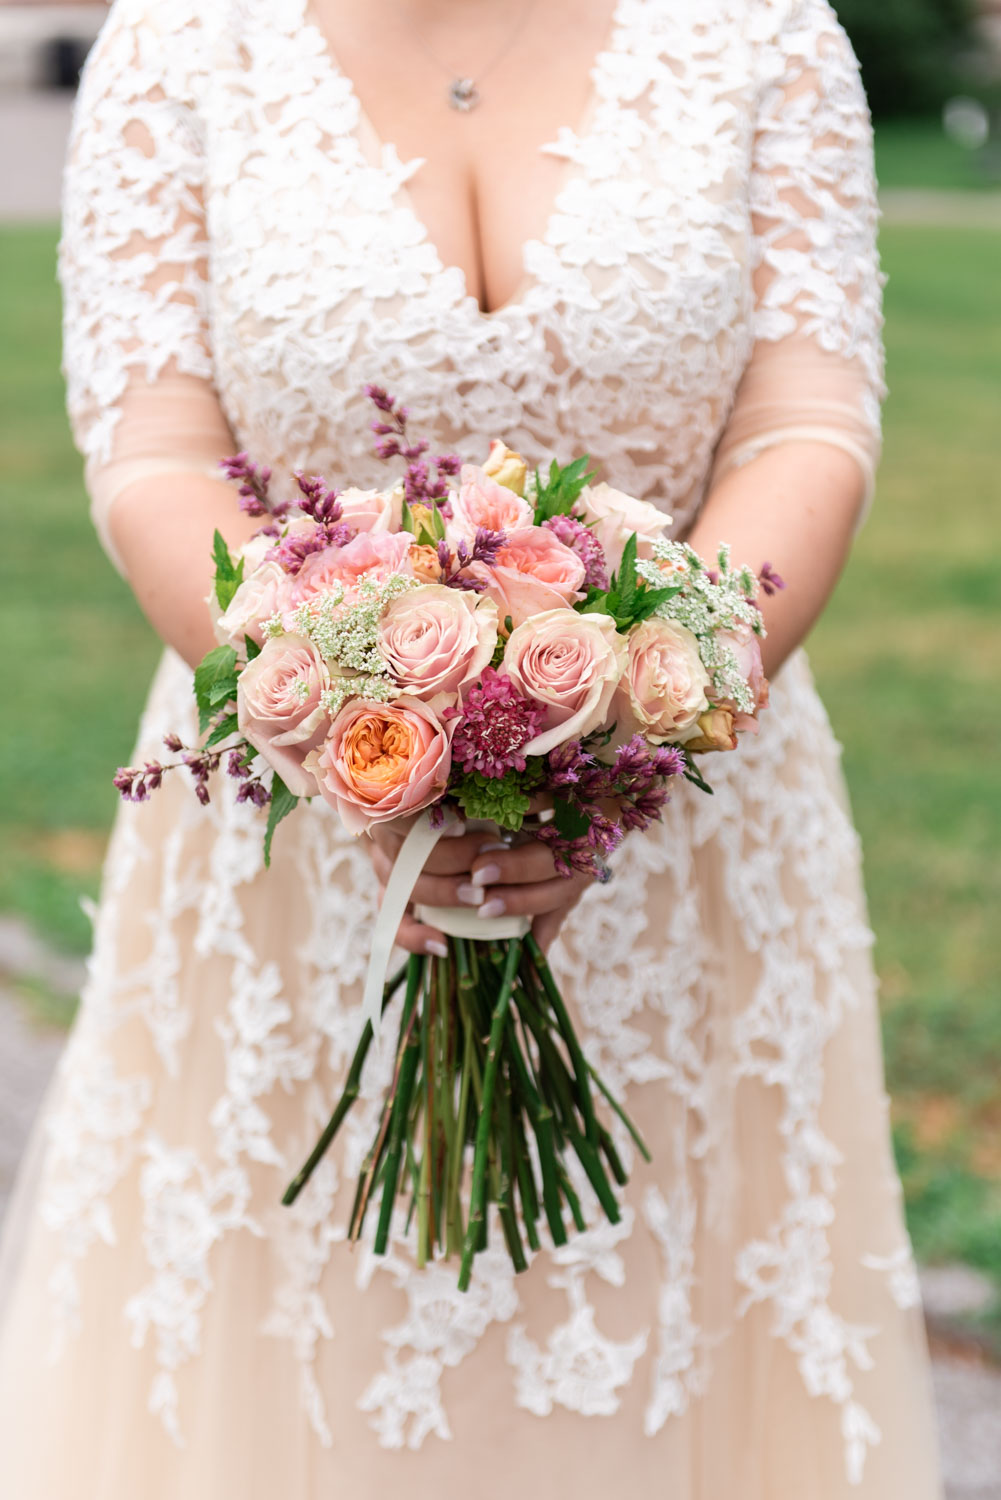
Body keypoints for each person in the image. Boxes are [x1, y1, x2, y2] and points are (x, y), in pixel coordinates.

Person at [0, 0, 944, 1494]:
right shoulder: (183, 40)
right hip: (293, 825)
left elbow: (804, 422)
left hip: (686, 818)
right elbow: (157, 447)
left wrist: (635, 716)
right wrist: (342, 717)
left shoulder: (764, 33)